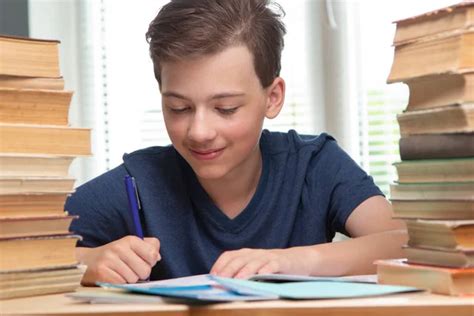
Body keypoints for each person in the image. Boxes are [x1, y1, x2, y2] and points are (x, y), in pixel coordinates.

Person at [67, 0, 407, 286]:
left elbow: (405, 244)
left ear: (272, 98)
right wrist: (87, 261)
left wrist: (289, 262)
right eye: (179, 108)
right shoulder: (141, 182)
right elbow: (17, 251)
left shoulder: (314, 165)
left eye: (225, 108)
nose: (199, 131)